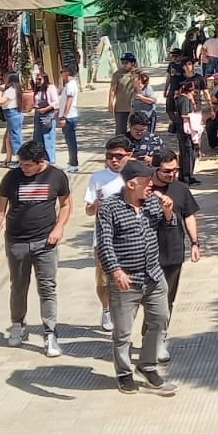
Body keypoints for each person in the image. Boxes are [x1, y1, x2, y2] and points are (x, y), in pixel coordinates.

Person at [94, 158, 178, 395]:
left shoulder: (153, 203)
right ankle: (123, 373)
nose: (151, 185)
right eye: (147, 181)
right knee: (122, 332)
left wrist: (169, 213)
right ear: (132, 184)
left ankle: (148, 366)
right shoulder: (110, 207)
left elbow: (169, 229)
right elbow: (105, 243)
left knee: (160, 321)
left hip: (153, 277)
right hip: (126, 281)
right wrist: (115, 270)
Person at [0, 140, 72, 357]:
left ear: (40, 162)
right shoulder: (12, 177)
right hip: (17, 241)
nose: (23, 169)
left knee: (47, 287)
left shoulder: (57, 176)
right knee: (18, 286)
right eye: (21, 164)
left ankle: (50, 333)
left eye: (27, 165)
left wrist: (59, 228)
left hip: (46, 242)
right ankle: (18, 325)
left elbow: (66, 204)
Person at [152, 150, 202, 363]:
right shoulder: (143, 188)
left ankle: (158, 338)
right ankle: (146, 337)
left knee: (166, 300)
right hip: (145, 253)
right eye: (166, 171)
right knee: (146, 300)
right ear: (155, 169)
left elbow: (189, 215)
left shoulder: (181, 189)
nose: (171, 174)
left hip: (172, 252)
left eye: (175, 170)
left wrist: (195, 242)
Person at [86, 138, 131, 332]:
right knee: (103, 279)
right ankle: (106, 310)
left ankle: (124, 312)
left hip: (130, 237)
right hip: (104, 238)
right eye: (110, 156)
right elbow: (88, 209)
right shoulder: (97, 177)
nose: (114, 160)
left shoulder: (135, 175)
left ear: (128, 156)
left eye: (119, 156)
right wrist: (95, 205)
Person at [172, 80, 202, 185]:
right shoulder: (184, 100)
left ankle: (184, 175)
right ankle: (187, 176)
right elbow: (184, 114)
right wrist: (195, 116)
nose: (195, 94)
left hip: (182, 130)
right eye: (195, 92)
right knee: (188, 153)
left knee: (185, 152)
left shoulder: (181, 99)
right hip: (186, 131)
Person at [0, 73, 23, 166]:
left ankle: (21, 160)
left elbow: (0, 102)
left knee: (15, 137)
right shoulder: (15, 89)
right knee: (8, 138)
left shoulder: (10, 90)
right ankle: (8, 158)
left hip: (12, 114)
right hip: (13, 114)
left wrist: (0, 91)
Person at [111, 53, 140, 137]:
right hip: (121, 107)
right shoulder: (117, 74)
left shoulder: (138, 73)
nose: (124, 64)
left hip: (135, 107)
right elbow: (113, 90)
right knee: (120, 130)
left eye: (126, 62)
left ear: (133, 63)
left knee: (135, 128)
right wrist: (110, 103)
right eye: (123, 62)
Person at [59, 66, 81, 172]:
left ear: (67, 73)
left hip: (70, 117)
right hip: (67, 116)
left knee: (71, 142)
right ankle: (71, 161)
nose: (61, 74)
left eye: (62, 72)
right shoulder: (67, 85)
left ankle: (74, 163)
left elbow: (69, 101)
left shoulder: (71, 85)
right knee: (69, 141)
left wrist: (64, 116)